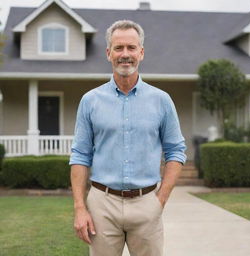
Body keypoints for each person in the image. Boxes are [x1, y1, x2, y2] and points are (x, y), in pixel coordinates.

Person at [69, 20, 186, 256]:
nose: (125, 55)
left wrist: (160, 200)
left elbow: (176, 151)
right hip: (102, 204)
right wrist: (80, 208)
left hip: (147, 203)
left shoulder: (162, 100)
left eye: (131, 48)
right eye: (118, 48)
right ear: (108, 53)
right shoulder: (90, 101)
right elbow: (80, 155)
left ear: (141, 53)